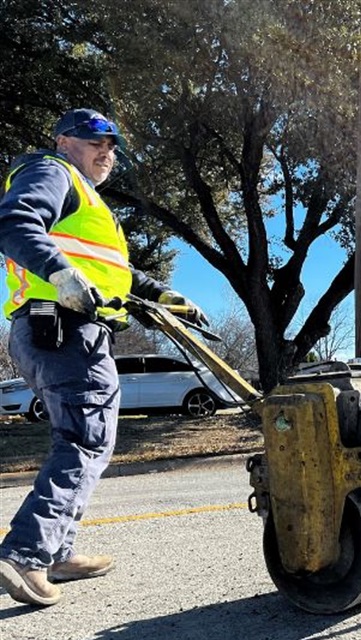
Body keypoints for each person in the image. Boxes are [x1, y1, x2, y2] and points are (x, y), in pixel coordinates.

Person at [0, 108, 206, 607]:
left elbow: (118, 273)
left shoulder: (89, 202)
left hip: (59, 329)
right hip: (63, 325)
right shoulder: (53, 171)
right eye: (97, 141)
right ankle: (26, 553)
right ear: (64, 140)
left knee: (82, 437)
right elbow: (13, 222)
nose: (108, 153)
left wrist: (164, 295)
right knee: (87, 439)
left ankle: (58, 551)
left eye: (113, 146)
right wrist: (62, 274)